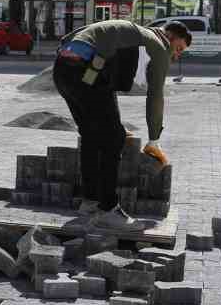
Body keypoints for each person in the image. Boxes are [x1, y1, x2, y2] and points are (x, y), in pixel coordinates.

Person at [53, 18, 191, 228]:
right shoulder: (158, 45)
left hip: (64, 71)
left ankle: (90, 202)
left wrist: (115, 123)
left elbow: (70, 42)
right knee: (113, 139)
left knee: (91, 134)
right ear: (169, 36)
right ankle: (108, 209)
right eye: (178, 48)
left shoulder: (130, 32)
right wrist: (154, 139)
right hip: (85, 72)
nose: (176, 55)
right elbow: (155, 95)